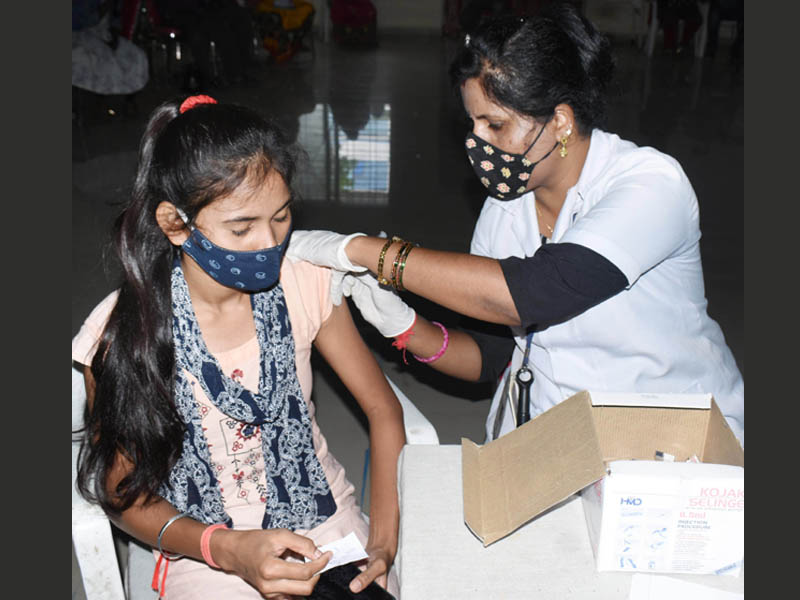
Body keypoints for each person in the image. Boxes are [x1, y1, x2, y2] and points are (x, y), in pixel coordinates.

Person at [283, 3, 744, 447]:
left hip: (667, 435)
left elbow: (536, 291)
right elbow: (489, 358)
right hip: (556, 440)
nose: (476, 142)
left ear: (560, 122)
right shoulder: (505, 208)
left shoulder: (651, 185)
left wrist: (368, 252)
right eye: (472, 123)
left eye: (495, 125)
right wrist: (401, 324)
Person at [72, 95, 403, 599]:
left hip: (322, 518)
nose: (269, 243)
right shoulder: (122, 333)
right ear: (175, 223)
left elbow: (382, 408)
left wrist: (382, 541)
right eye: (242, 227)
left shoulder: (304, 284)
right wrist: (225, 549)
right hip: (202, 546)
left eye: (281, 216)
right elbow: (121, 491)